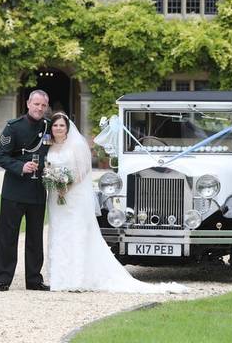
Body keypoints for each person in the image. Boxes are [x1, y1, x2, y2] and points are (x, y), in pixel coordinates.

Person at [45, 112, 189, 294]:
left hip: (73, 196)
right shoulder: (50, 146)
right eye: (55, 125)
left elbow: (84, 170)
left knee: (75, 233)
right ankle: (60, 277)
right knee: (59, 232)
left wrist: (67, 185)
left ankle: (77, 277)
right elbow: (48, 168)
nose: (58, 129)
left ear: (67, 128)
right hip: (56, 199)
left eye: (61, 126)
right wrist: (53, 182)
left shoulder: (76, 145)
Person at [0, 89, 51, 291]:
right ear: (28, 104)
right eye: (36, 104)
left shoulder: (49, 127)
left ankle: (34, 280)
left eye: (43, 105)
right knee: (8, 236)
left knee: (35, 238)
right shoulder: (13, 128)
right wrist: (21, 167)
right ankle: (2, 280)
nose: (39, 108)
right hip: (14, 191)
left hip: (37, 190)